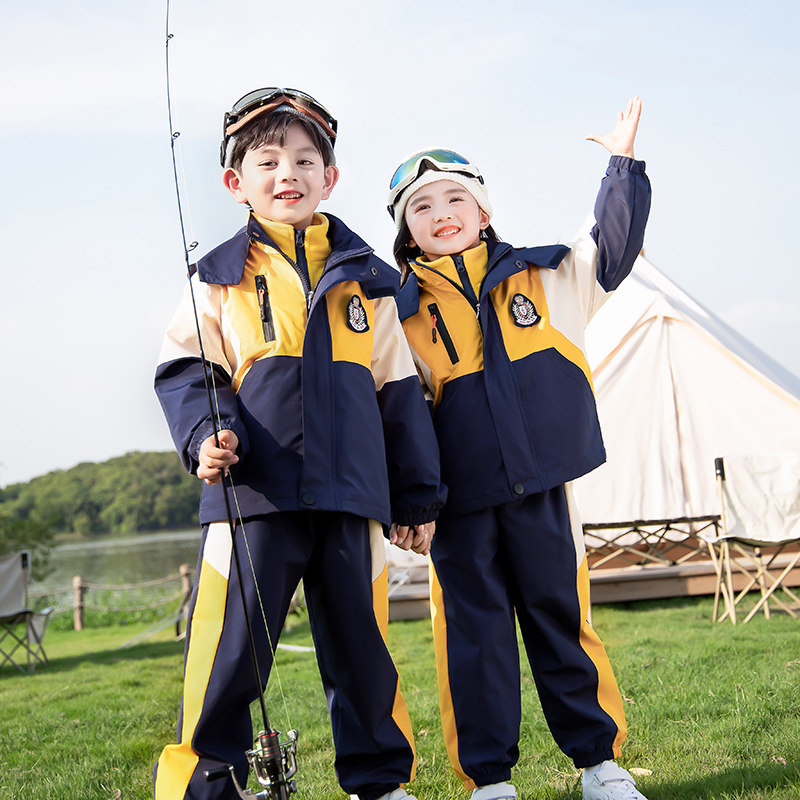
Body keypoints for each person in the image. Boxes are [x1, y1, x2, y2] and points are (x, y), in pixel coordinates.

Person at [154, 87, 446, 800]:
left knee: (362, 653)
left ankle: (379, 781)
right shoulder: (216, 277)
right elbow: (190, 372)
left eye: (306, 159)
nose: (288, 172)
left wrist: (415, 494)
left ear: (330, 178)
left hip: (351, 498)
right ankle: (203, 787)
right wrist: (205, 435)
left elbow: (398, 393)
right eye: (267, 160)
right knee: (230, 656)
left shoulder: (371, 282)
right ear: (236, 182)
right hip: (253, 497)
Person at [386, 98, 652, 800]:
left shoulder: (547, 275)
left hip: (542, 496)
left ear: (482, 210)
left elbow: (613, 245)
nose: (441, 212)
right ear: (406, 234)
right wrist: (409, 501)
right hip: (457, 510)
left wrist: (620, 166)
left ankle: (600, 765)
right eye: (421, 208)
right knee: (473, 646)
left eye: (455, 198)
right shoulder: (399, 314)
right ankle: (490, 782)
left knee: (562, 622)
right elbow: (396, 415)